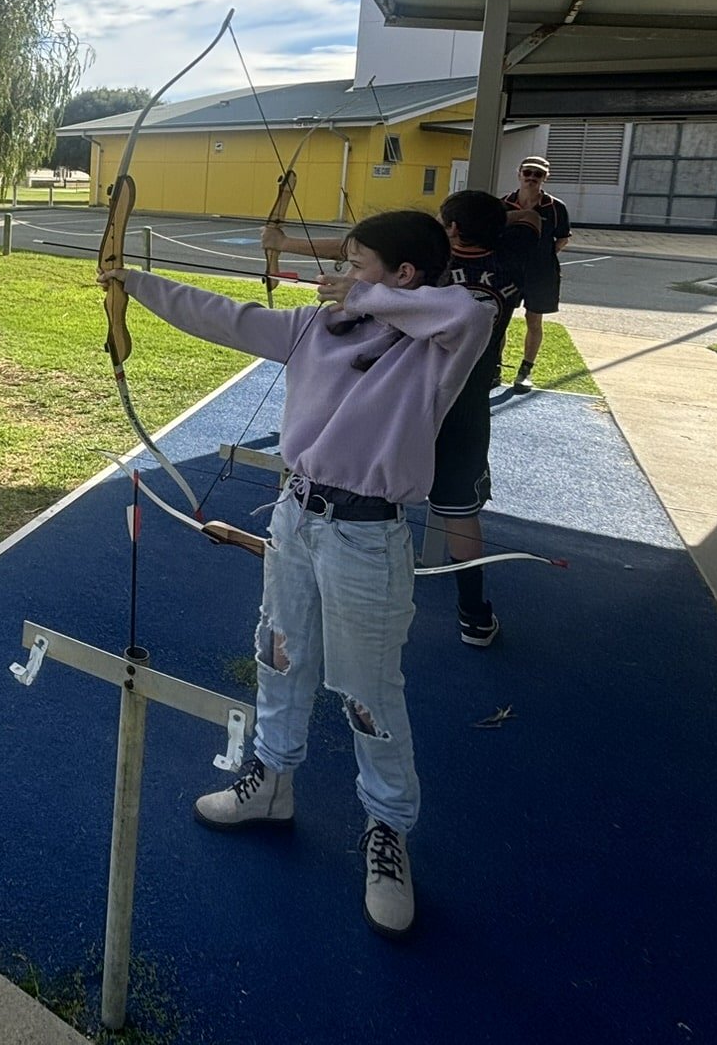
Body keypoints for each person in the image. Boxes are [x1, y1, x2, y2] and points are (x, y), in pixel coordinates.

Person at [99, 210, 496, 939]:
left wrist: (362, 297)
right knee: (279, 653)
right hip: (296, 516)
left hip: (367, 535)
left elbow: (466, 309)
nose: (339, 275)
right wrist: (133, 283)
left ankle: (386, 831)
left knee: (367, 687)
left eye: (357, 262)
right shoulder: (315, 331)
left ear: (404, 275)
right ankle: (272, 782)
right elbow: (227, 316)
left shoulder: (441, 344)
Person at [429, 190, 525, 647]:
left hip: (411, 403)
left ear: (452, 230)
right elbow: (529, 222)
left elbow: (367, 252)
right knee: (460, 514)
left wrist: (283, 243)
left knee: (374, 497)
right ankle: (474, 618)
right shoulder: (513, 263)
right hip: (467, 408)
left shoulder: (429, 275)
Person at [502, 156, 571, 392]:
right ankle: (494, 368)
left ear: (545, 177)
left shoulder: (556, 207)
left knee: (534, 320)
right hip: (508, 271)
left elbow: (562, 237)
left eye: (537, 174)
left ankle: (525, 371)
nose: (532, 178)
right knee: (501, 320)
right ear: (519, 173)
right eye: (528, 172)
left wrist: (543, 254)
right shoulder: (504, 204)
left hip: (541, 273)